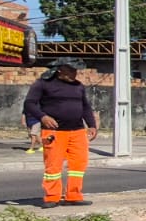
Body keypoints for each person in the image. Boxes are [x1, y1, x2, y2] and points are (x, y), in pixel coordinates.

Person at [23, 58, 98, 208]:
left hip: (77, 131)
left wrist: (92, 125)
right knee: (53, 165)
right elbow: (29, 104)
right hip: (54, 132)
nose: (74, 73)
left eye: (76, 70)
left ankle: (73, 195)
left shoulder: (78, 86)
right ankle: (52, 197)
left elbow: (85, 107)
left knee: (78, 164)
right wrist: (43, 117)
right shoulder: (43, 84)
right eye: (71, 70)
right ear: (60, 70)